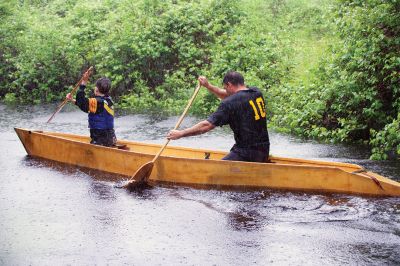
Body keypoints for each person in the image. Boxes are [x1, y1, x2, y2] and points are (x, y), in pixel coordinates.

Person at [167, 71, 270, 162]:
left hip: (246, 154)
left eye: (225, 87)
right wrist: (208, 86)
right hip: (263, 151)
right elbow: (229, 95)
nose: (225, 90)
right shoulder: (255, 92)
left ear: (229, 84)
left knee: (213, 174)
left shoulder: (229, 103)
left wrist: (181, 133)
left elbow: (206, 126)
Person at [66, 70, 117, 147]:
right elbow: (85, 105)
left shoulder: (98, 102)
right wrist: (72, 100)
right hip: (110, 137)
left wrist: (83, 83)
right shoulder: (108, 100)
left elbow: (82, 102)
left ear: (96, 89)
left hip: (100, 138)